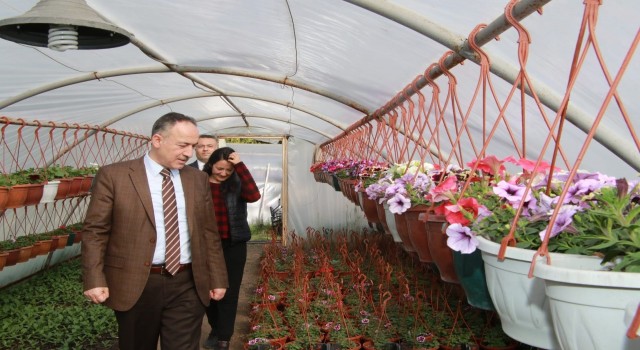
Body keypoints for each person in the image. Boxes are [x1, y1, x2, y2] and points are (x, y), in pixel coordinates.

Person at [81, 112, 229, 350]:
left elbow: (208, 232)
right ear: (157, 140)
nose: (189, 153)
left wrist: (218, 277)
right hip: (135, 282)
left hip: (188, 282)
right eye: (182, 145)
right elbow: (95, 231)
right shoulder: (115, 175)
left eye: (192, 146)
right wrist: (94, 278)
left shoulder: (196, 179)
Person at [202, 147, 261, 350]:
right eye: (220, 169)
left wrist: (240, 166)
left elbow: (254, 195)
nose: (224, 173)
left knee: (229, 291)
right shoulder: (198, 182)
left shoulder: (236, 184)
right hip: (205, 247)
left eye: (228, 170)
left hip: (233, 245)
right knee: (207, 291)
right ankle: (216, 328)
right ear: (210, 165)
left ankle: (224, 338)